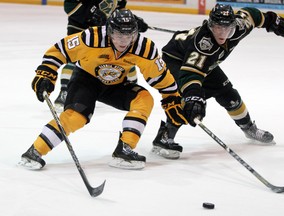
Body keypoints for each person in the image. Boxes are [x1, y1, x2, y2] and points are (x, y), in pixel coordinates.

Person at [18, 9, 187, 170]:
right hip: (86, 80)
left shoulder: (144, 48)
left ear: (136, 34)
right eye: (119, 35)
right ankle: (34, 151)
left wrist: (171, 96)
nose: (123, 41)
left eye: (129, 36)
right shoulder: (92, 37)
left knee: (144, 99)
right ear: (110, 31)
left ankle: (124, 149)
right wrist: (46, 72)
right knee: (76, 117)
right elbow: (60, 50)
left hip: (115, 85)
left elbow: (160, 76)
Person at [152, 4, 284, 159]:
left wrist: (273, 21)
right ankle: (163, 137)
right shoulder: (203, 44)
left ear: (234, 25)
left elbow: (252, 15)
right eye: (218, 28)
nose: (222, 33)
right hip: (176, 60)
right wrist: (194, 96)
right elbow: (190, 74)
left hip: (206, 62)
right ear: (210, 25)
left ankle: (249, 128)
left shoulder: (240, 26)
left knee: (228, 94)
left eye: (227, 29)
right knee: (186, 100)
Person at [54, 0, 148, 112]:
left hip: (105, 29)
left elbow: (119, 9)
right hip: (81, 26)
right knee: (76, 58)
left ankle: (129, 89)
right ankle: (65, 91)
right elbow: (70, 4)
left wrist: (131, 21)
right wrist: (92, 13)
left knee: (123, 56)